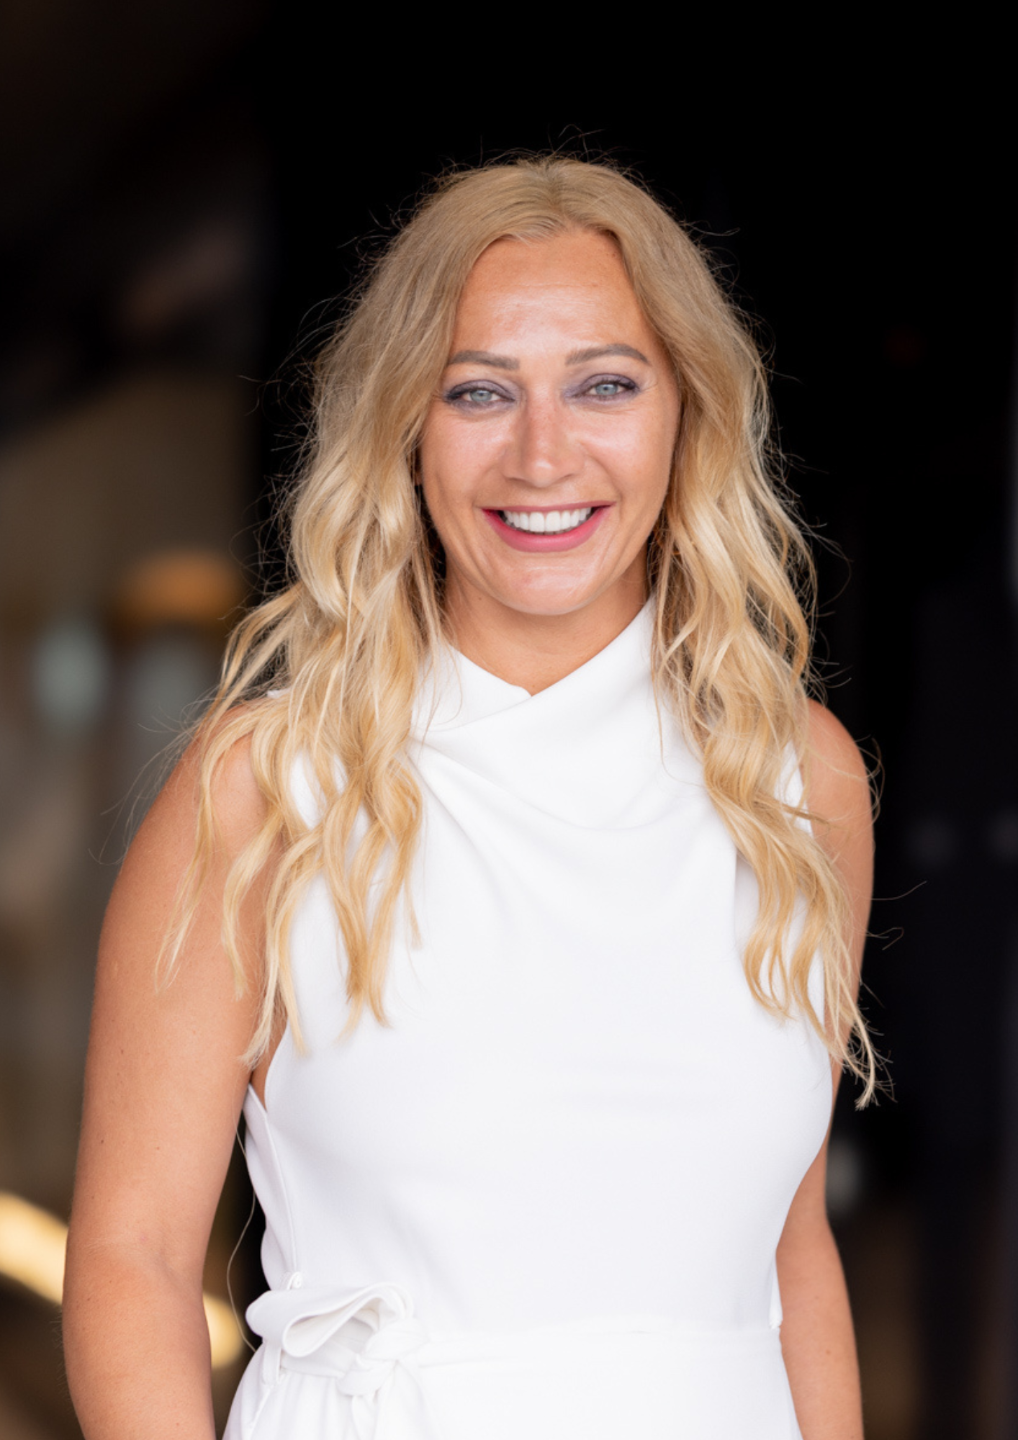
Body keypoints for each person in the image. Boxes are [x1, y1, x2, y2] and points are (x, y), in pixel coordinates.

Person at [63, 155, 875, 1440]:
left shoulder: (795, 777)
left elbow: (787, 1254)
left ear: (687, 413)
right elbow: (136, 1261)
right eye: (478, 391)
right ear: (406, 428)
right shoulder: (269, 788)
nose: (542, 453)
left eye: (604, 384)